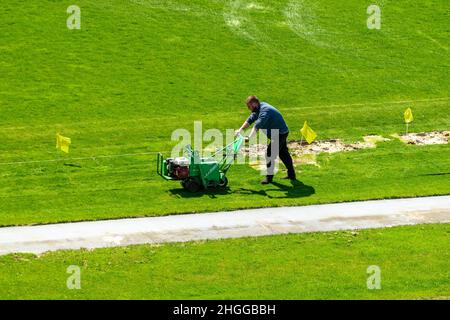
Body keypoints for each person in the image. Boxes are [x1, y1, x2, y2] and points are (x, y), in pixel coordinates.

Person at [236, 96, 296, 184]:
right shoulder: (259, 108)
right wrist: (240, 129)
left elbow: (256, 126)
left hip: (280, 133)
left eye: (249, 106)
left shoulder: (265, 111)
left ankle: (269, 178)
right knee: (283, 153)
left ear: (254, 104)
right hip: (278, 132)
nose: (249, 109)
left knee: (269, 154)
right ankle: (291, 174)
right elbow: (250, 119)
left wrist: (249, 137)